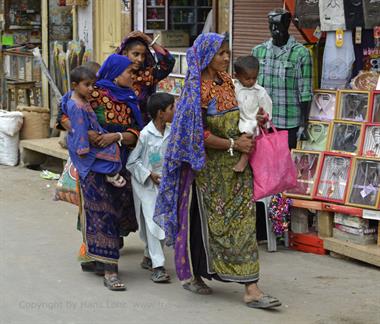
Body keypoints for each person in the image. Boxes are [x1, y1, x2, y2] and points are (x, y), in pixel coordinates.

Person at [154, 33, 281, 309]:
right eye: (221, 53)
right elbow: (196, 134)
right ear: (206, 56)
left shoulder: (227, 82)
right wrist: (233, 143)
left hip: (237, 169)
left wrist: (255, 120)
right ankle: (199, 272)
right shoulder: (195, 90)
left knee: (245, 225)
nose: (226, 58)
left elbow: (240, 116)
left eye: (227, 53)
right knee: (208, 226)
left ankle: (251, 287)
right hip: (208, 171)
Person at [70, 54, 142, 290]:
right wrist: (85, 132)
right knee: (102, 212)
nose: (133, 76)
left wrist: (117, 136)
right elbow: (65, 112)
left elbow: (137, 132)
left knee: (118, 211)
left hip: (121, 161)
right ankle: (110, 270)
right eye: (129, 71)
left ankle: (98, 259)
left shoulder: (131, 97)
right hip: (94, 164)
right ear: (115, 72)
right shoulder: (94, 92)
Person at [126, 93, 175, 283]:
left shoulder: (171, 132)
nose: (174, 111)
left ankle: (149, 255)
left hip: (165, 184)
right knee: (153, 223)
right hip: (146, 186)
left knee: (162, 222)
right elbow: (132, 162)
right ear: (160, 113)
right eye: (171, 108)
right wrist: (148, 175)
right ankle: (158, 266)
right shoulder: (145, 135)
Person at [252, 9, 312, 149]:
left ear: (287, 24)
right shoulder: (258, 51)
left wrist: (304, 124)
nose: (274, 28)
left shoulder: (301, 54)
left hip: (288, 123)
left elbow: (305, 92)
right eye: (271, 24)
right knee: (264, 164)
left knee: (284, 165)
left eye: (278, 24)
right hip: (263, 122)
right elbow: (251, 87)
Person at [64, 66, 126, 188]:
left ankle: (110, 174)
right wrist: (83, 150)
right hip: (84, 144)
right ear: (74, 85)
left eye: (92, 85)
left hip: (91, 137)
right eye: (87, 85)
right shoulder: (76, 106)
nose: (91, 89)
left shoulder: (81, 100)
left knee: (113, 150)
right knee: (111, 158)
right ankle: (110, 174)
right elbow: (80, 130)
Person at [116, 31, 175, 123]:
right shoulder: (114, 73)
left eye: (143, 55)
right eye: (135, 54)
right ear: (124, 53)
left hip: (143, 127)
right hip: (118, 127)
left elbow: (168, 63)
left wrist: (149, 41)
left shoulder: (148, 75)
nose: (140, 59)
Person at [233, 55, 272, 172]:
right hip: (238, 118)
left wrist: (263, 116)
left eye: (254, 78)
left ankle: (244, 159)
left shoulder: (260, 92)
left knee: (250, 128)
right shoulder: (234, 88)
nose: (251, 81)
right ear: (237, 76)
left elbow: (267, 109)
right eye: (247, 78)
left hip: (253, 121)